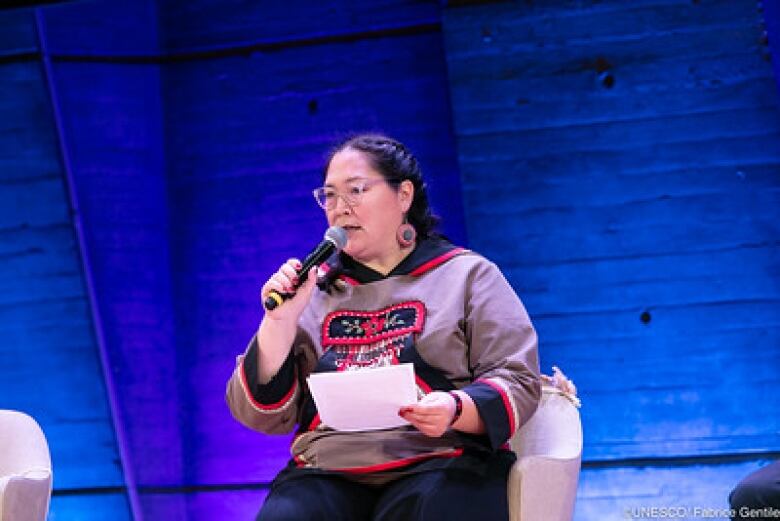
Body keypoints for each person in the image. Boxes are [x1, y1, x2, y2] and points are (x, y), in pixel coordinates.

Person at [226, 134, 541, 521]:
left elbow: (517, 377)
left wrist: (455, 407)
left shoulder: (467, 275)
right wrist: (279, 321)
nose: (340, 209)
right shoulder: (314, 292)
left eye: (356, 190)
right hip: (330, 466)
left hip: (442, 458)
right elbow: (261, 414)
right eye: (329, 196)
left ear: (403, 196)